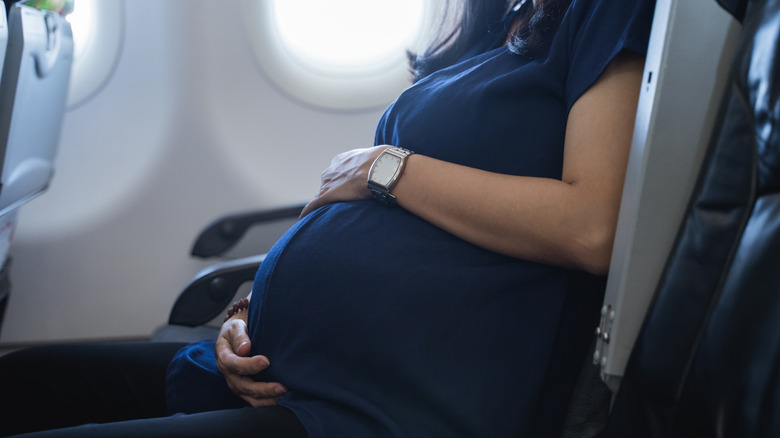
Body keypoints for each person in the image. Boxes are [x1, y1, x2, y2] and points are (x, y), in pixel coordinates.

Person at [0, 0, 655, 436]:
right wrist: (246, 314)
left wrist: (385, 167)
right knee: (25, 383)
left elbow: (589, 224)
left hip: (375, 408)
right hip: (284, 371)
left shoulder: (605, 10)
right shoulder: (500, 23)